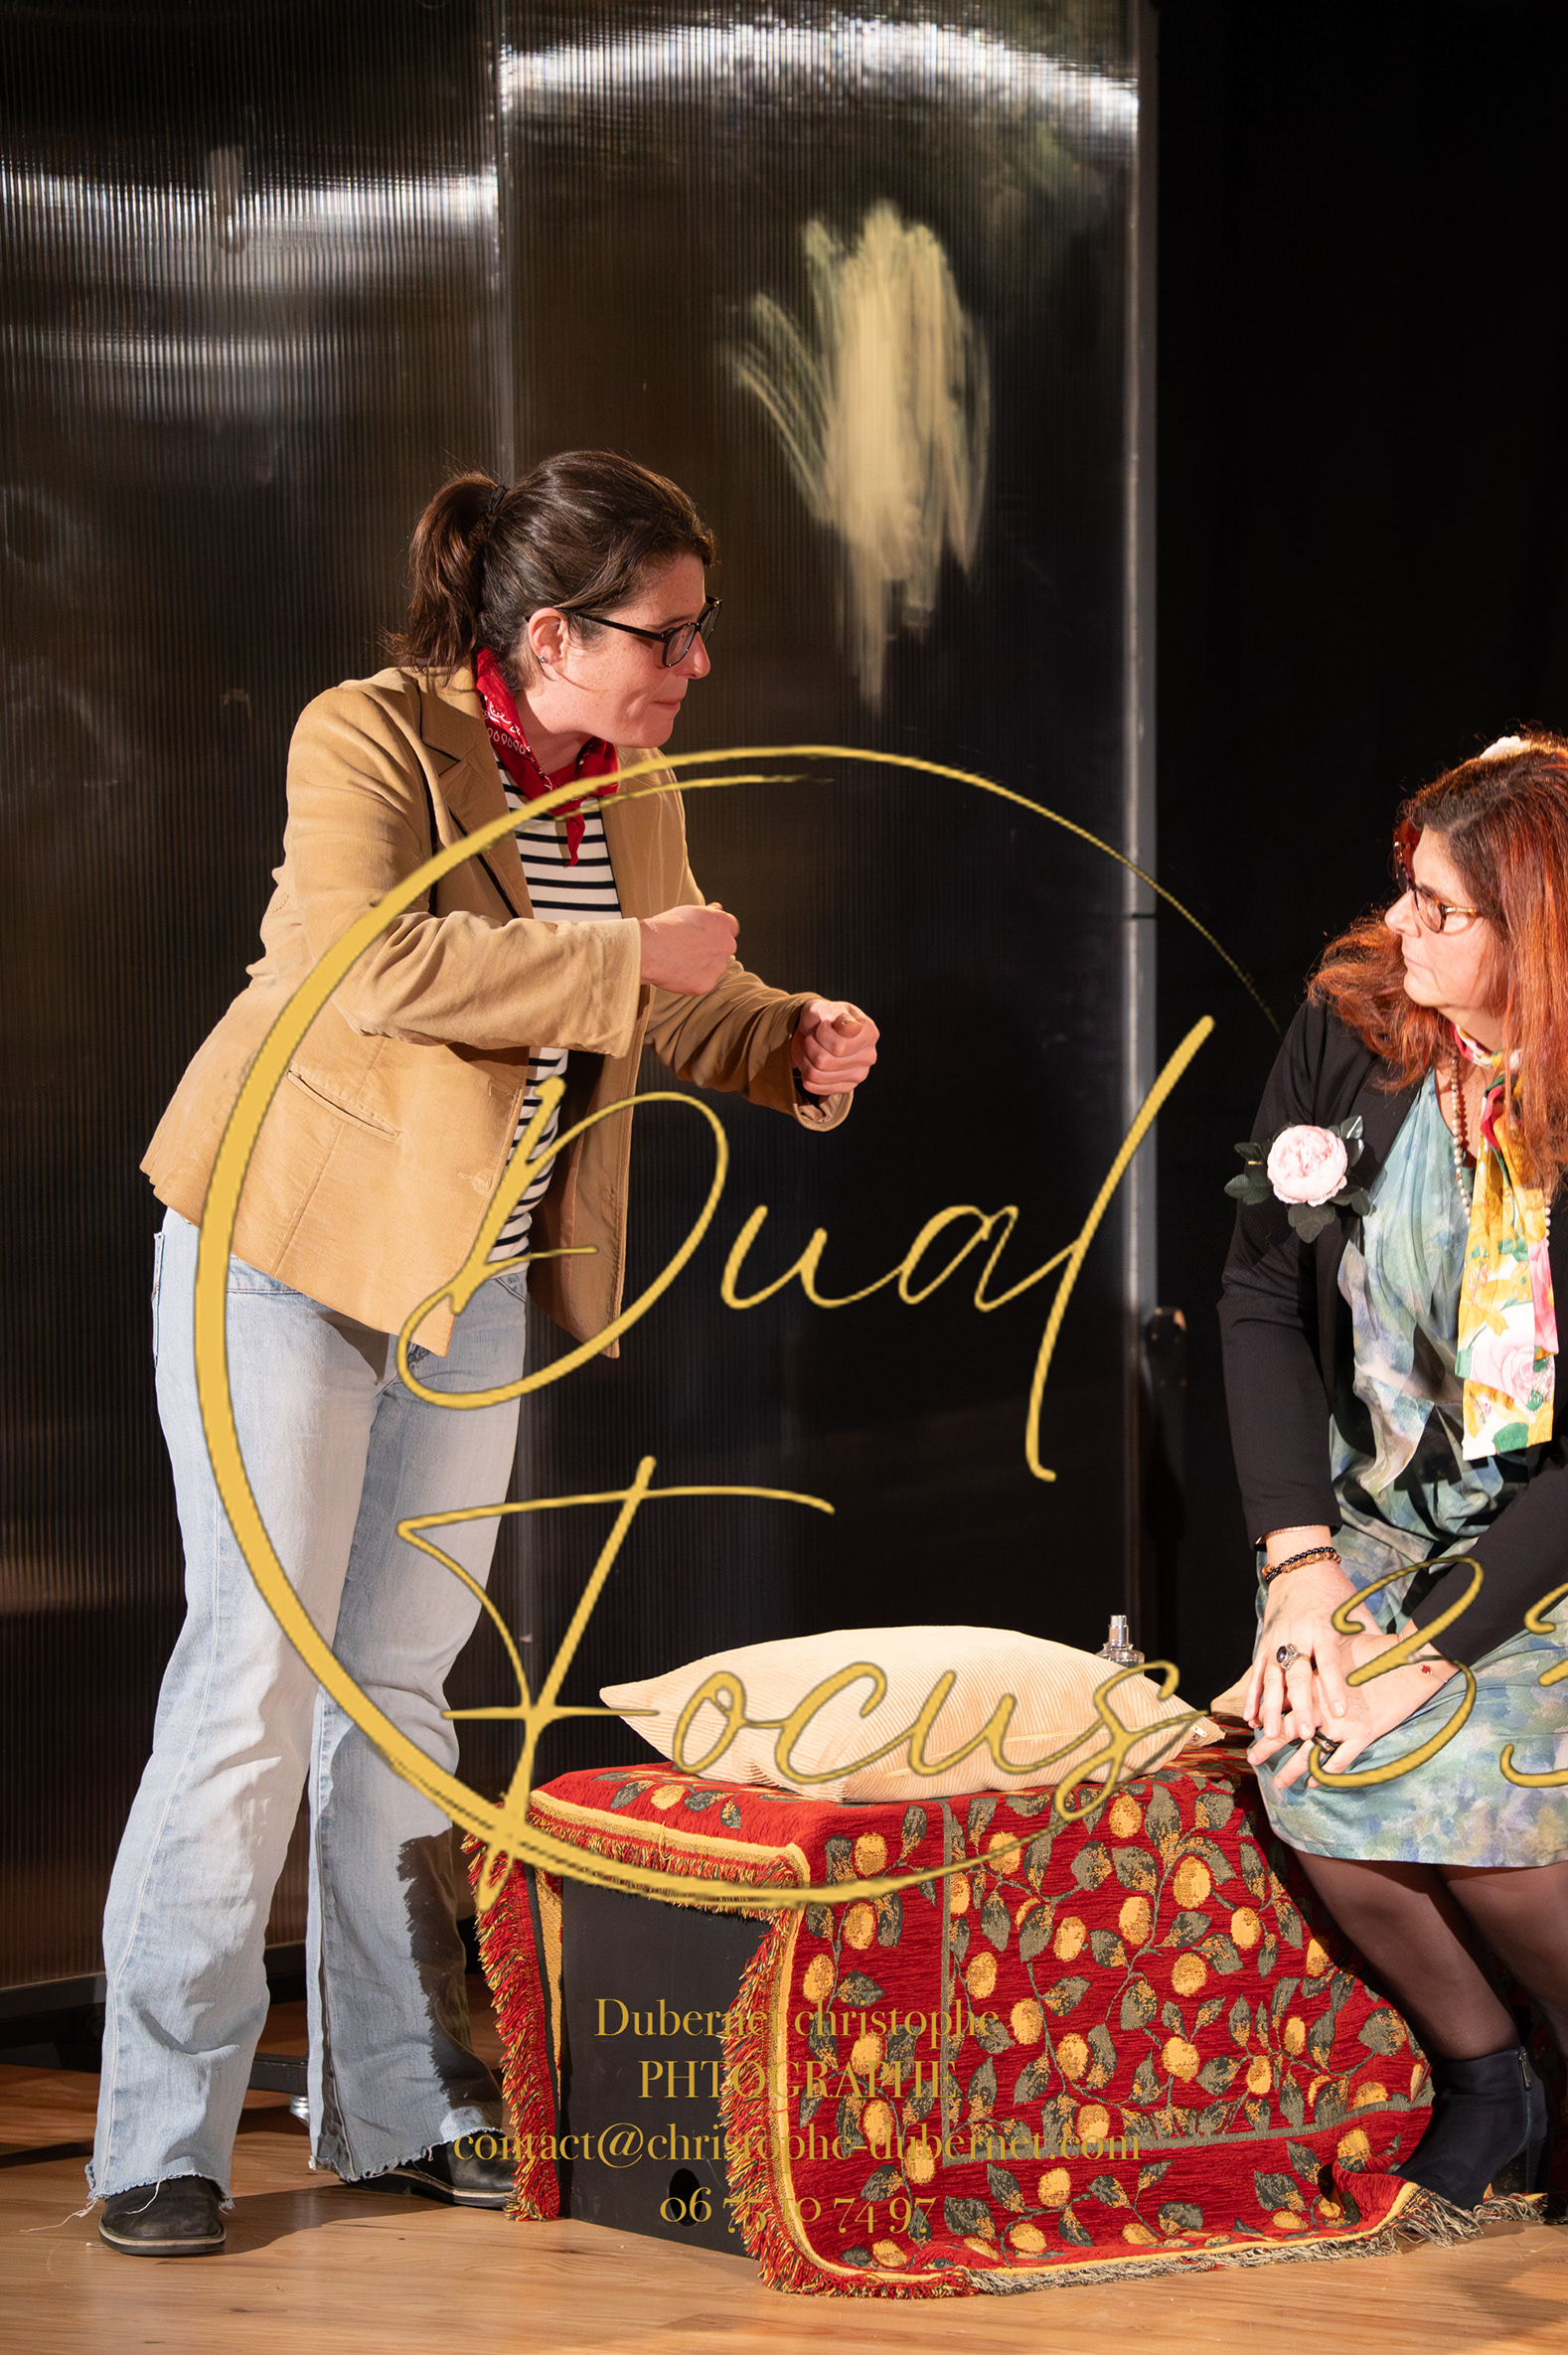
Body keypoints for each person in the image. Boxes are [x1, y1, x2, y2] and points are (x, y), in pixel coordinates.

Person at [91, 452, 880, 2256]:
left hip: (478, 1277)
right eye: (666, 634)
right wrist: (632, 960)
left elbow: (675, 991)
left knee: (402, 1689)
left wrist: (787, 1039)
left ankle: (397, 2101)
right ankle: (157, 2131)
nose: (694, 665)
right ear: (550, 633)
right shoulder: (368, 732)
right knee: (255, 1677)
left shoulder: (636, 784)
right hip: (287, 1252)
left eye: (698, 632)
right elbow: (369, 968)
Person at [1219, 733, 1568, 2243]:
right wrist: (1300, 1567)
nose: (1397, 928)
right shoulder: (1353, 1029)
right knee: (1303, 1752)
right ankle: (1486, 2073)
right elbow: (1261, 1295)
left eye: (1441, 909)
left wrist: (1425, 1653)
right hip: (1378, 1509)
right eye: (1404, 890)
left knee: (1466, 1769)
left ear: (1547, 934)